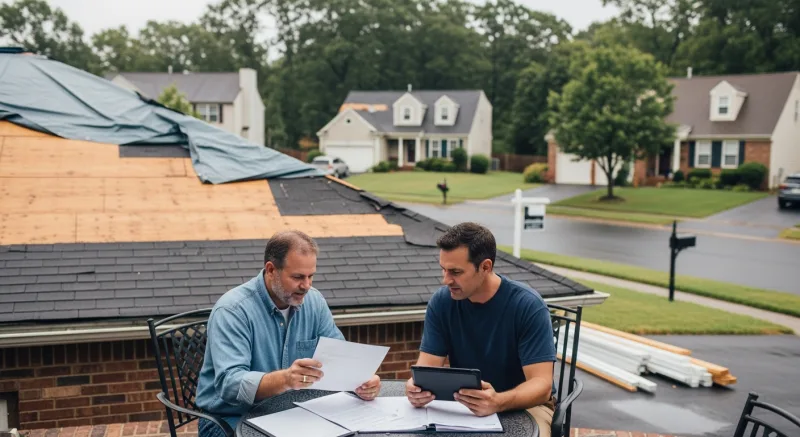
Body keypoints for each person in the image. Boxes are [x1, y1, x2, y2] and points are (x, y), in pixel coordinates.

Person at [195, 230, 381, 437]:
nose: (306, 286)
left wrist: (361, 380)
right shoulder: (233, 311)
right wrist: (285, 379)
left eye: (311, 276)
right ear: (271, 270)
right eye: (298, 277)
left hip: (291, 413)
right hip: (229, 419)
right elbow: (230, 384)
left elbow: (340, 355)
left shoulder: (314, 302)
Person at [404, 222, 557, 437]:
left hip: (526, 407)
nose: (446, 280)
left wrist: (498, 402)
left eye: (455, 272)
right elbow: (426, 368)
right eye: (444, 269)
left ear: (485, 267)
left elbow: (542, 385)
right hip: (464, 405)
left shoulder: (527, 305)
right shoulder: (441, 303)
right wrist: (416, 387)